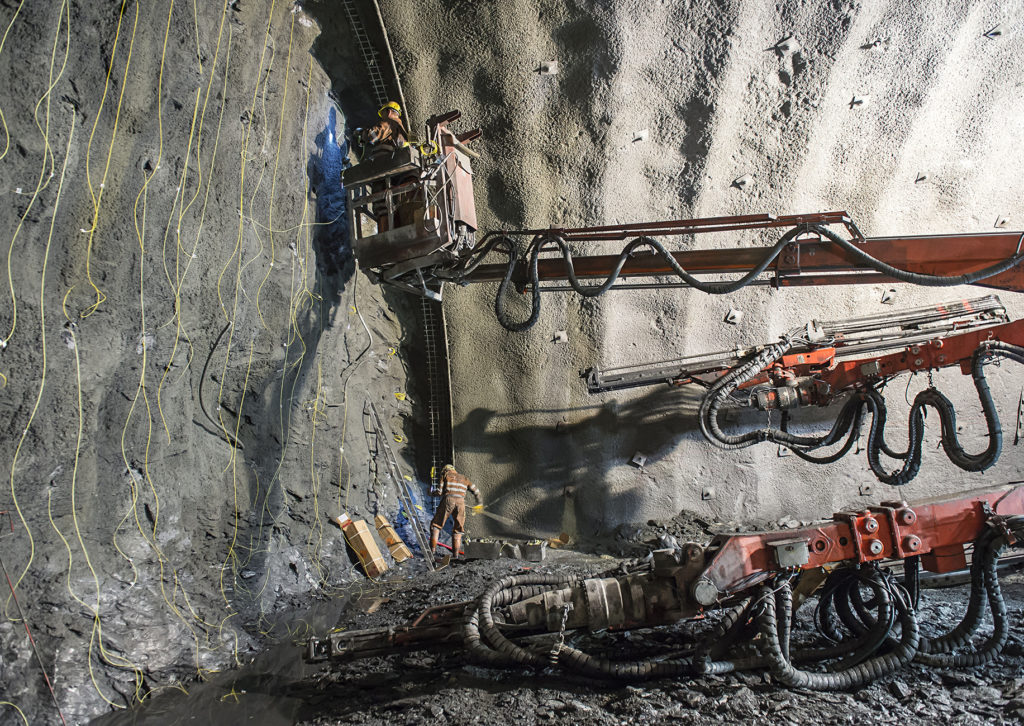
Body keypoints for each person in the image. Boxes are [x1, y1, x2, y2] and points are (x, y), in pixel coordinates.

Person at [429, 464, 482, 558]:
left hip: (448, 500)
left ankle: (432, 552)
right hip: (461, 503)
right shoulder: (465, 478)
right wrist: (479, 504)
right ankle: (456, 556)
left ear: (445, 470)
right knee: (458, 530)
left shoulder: (445, 475)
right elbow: (476, 491)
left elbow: (439, 492)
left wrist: (431, 493)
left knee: (436, 525)